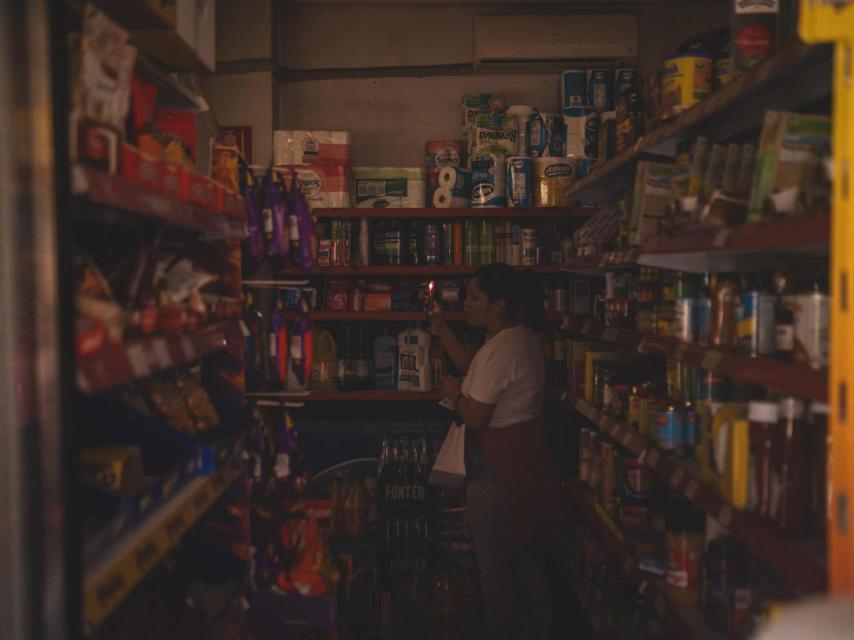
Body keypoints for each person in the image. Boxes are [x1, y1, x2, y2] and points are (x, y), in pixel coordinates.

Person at [429, 263, 567, 640]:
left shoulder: (500, 351)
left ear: (499, 304)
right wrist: (442, 329)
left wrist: (454, 394)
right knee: (527, 563)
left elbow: (477, 416)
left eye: (475, 297)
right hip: (524, 462)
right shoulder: (519, 340)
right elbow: (472, 364)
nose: (466, 304)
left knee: (495, 571)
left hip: (497, 468)